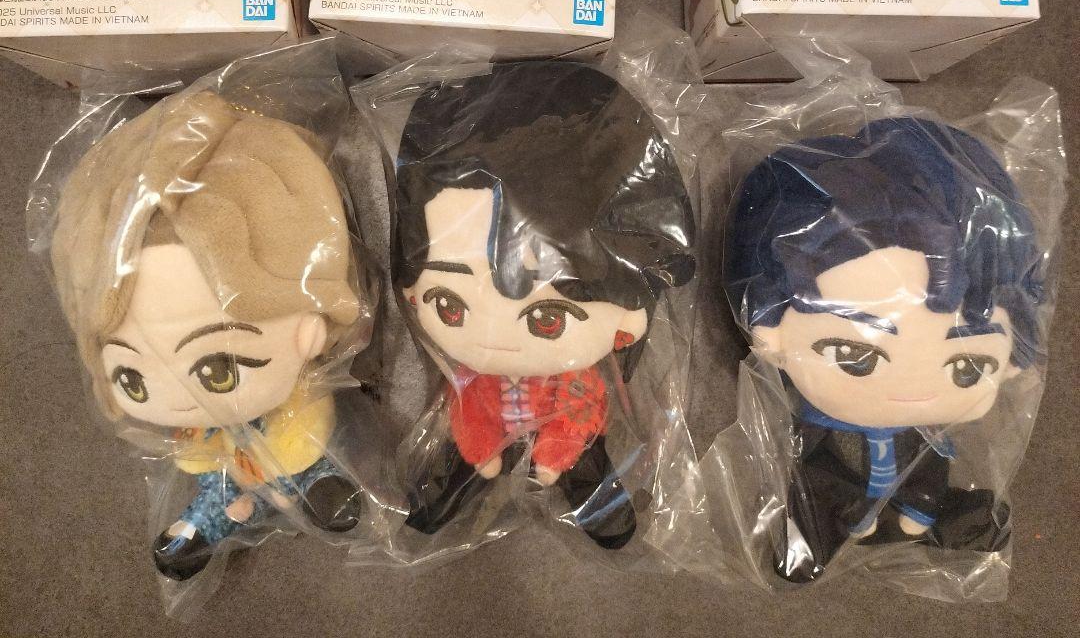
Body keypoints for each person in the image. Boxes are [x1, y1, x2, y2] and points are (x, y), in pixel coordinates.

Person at [50, 92, 364, 581]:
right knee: (220, 492)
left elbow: (305, 426)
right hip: (226, 466)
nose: (178, 400)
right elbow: (197, 454)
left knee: (301, 455)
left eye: (218, 370)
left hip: (282, 441)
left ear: (311, 328)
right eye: (131, 379)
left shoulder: (296, 376)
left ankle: (315, 487)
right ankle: (207, 523)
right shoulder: (197, 428)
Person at [726, 116, 1044, 582]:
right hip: (840, 486)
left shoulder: (927, 431)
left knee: (924, 486)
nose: (912, 390)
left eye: (967, 366)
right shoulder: (818, 420)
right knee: (829, 486)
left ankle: (923, 519)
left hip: (915, 481)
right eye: (854, 356)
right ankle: (844, 524)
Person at [393, 61, 696, 549]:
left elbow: (579, 413)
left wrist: (554, 456)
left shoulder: (580, 375)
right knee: (469, 448)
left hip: (563, 412)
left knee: (585, 449)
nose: (496, 338)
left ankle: (584, 485)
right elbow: (470, 412)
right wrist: (480, 447)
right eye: (449, 305)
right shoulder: (471, 372)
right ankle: (470, 474)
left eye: (548, 318)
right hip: (487, 401)